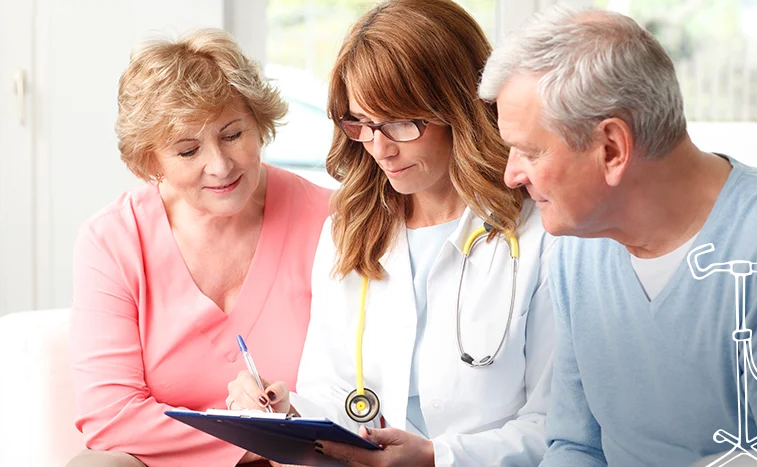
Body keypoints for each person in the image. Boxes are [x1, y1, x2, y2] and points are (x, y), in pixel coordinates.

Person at [479, 6, 757, 467]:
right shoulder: (576, 253)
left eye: (528, 151)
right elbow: (576, 445)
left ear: (612, 148)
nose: (510, 175)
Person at [225, 1, 556, 466]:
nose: (380, 148)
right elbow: (336, 395)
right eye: (362, 123)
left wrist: (437, 457)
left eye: (401, 122)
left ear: (458, 108)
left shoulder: (540, 235)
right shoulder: (349, 230)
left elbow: (558, 425)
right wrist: (288, 411)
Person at [67, 29, 331, 467]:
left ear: (259, 123)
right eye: (188, 150)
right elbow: (109, 417)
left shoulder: (328, 219)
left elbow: (364, 388)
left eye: (232, 135)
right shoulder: (112, 240)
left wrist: (289, 428)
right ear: (151, 161)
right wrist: (250, 443)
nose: (221, 166)